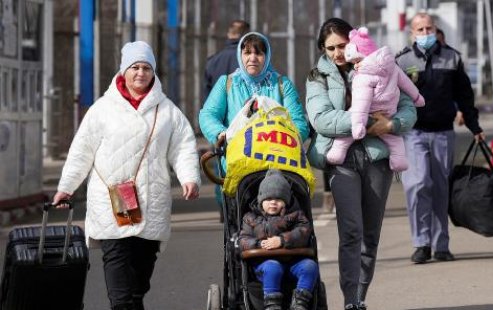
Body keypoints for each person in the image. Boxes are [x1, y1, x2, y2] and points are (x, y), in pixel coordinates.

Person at [52, 41, 201, 310]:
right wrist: (67, 186)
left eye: (146, 68)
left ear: (153, 72)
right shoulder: (102, 109)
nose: (140, 73)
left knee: (138, 287)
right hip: (111, 204)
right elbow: (81, 150)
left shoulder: (167, 111)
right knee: (121, 293)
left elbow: (184, 147)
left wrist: (189, 178)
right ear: (124, 71)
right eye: (135, 67)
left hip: (151, 203)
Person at [305, 17, 417, 310]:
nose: (337, 53)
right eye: (330, 48)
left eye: (342, 45)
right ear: (323, 49)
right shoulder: (318, 76)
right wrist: (366, 122)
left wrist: (392, 124)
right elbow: (321, 119)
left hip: (377, 159)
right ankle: (350, 300)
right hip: (342, 161)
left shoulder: (380, 64)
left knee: (370, 234)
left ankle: (361, 296)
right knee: (351, 231)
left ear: (353, 40)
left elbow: (408, 109)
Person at [395, 13, 484, 264]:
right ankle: (421, 243)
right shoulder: (402, 61)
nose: (425, 33)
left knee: (440, 187)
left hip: (443, 132)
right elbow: (391, 98)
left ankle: (441, 244)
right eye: (420, 29)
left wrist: (474, 126)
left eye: (429, 28)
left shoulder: (452, 58)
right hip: (414, 133)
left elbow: (465, 96)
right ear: (412, 33)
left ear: (436, 29)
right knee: (418, 184)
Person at [199, 32, 310, 210]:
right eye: (247, 52)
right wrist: (221, 134)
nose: (252, 58)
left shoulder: (282, 85)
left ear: (266, 57)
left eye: (258, 53)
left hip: (277, 160)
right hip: (239, 162)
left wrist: (290, 138)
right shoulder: (226, 83)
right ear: (240, 55)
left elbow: (298, 122)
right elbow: (208, 115)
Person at [326, 26, 425, 171]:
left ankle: (337, 152)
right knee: (395, 141)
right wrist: (418, 98)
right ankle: (399, 161)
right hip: (389, 112)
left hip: (369, 117)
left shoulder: (363, 76)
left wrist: (359, 124)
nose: (356, 65)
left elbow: (361, 104)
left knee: (345, 136)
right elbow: (407, 84)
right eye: (331, 48)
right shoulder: (392, 66)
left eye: (342, 46)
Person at [239, 169, 318, 310]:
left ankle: (300, 302)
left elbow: (304, 232)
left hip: (292, 262)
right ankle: (272, 304)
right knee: (273, 267)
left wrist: (282, 240)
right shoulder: (250, 218)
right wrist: (258, 244)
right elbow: (243, 239)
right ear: (261, 200)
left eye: (278, 199)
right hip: (263, 264)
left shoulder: (296, 215)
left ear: (286, 201)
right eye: (268, 199)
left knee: (310, 267)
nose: (273, 203)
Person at [203, 20, 250, 99]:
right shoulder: (252, 60)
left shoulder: (212, 61)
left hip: (218, 109)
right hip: (243, 109)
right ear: (246, 36)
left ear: (229, 34)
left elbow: (206, 97)